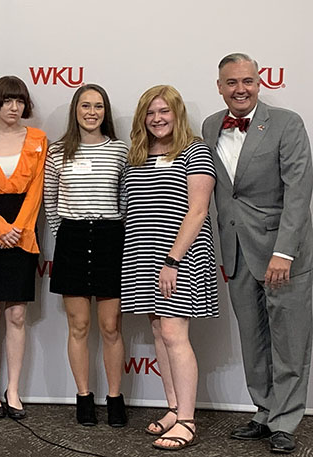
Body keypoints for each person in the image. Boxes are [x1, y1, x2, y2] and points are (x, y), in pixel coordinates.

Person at [202, 53, 313, 454]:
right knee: (253, 340)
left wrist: (284, 252)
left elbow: (298, 192)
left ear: (259, 82)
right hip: (236, 251)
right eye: (231, 82)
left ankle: (285, 421)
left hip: (281, 253)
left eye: (247, 81)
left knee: (289, 342)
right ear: (219, 87)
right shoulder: (210, 126)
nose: (240, 89)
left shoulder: (287, 123)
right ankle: (264, 412)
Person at [121, 85, 218, 451]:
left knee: (175, 334)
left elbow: (198, 210)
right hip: (141, 256)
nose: (157, 118)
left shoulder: (194, 150)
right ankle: (174, 409)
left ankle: (188, 421)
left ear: (177, 114)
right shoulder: (137, 153)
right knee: (160, 333)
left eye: (164, 111)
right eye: (150, 112)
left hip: (179, 257)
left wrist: (173, 260)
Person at [43, 84, 128, 427]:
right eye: (85, 106)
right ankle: (83, 397)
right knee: (78, 326)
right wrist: (62, 236)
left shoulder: (120, 150)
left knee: (111, 326)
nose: (92, 112)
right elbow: (50, 202)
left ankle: (115, 397)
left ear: (105, 112)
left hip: (110, 239)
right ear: (75, 110)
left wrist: (116, 232)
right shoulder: (57, 151)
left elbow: (126, 199)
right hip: (72, 239)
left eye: (98, 106)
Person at [0, 75, 45, 421]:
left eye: (19, 101)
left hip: (23, 230)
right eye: (7, 101)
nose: (13, 108)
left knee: (17, 314)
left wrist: (17, 229)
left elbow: (37, 191)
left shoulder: (38, 139)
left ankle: (13, 389)